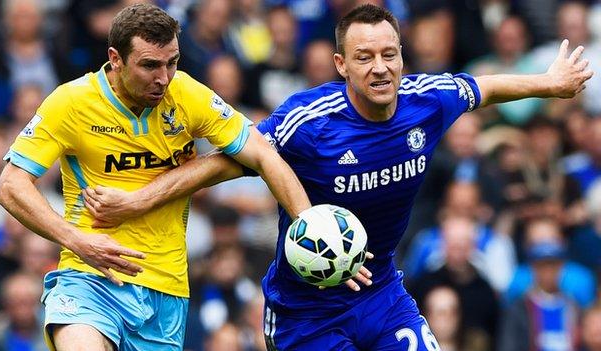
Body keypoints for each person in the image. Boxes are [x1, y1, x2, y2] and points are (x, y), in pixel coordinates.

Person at [83, 4, 593, 349]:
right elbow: (227, 160)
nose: (380, 68)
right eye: (364, 57)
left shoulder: (427, 100)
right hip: (305, 311)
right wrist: (140, 200)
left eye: (389, 54)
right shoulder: (309, 120)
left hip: (381, 294)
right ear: (340, 64)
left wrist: (550, 84)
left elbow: (483, 87)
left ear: (402, 57)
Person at [0, 4, 312, 351]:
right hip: (90, 279)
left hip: (166, 290)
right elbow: (11, 186)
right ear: (115, 58)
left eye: (172, 62)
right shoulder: (71, 102)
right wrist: (77, 241)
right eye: (149, 65)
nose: (163, 78)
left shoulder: (187, 94)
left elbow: (263, 154)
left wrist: (312, 228)